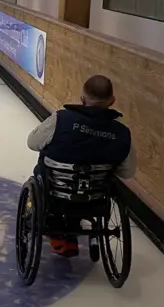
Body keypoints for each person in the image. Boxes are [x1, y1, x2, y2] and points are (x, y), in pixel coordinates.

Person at [27, 75, 136, 258]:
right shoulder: (122, 134)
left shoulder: (61, 120)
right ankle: (72, 225)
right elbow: (128, 172)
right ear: (112, 101)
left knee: (43, 164)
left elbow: (32, 142)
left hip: (55, 193)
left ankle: (56, 229)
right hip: (95, 197)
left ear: (82, 98)